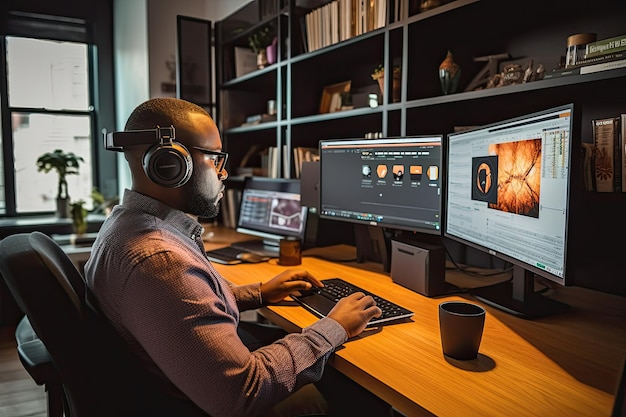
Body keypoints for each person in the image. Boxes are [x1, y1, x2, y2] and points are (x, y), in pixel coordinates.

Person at [84, 97, 382, 417]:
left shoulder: (123, 225)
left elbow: (185, 308)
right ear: (171, 165)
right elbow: (242, 393)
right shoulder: (160, 260)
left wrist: (259, 293)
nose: (223, 172)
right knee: (357, 391)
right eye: (214, 159)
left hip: (178, 383)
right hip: (211, 401)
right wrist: (335, 326)